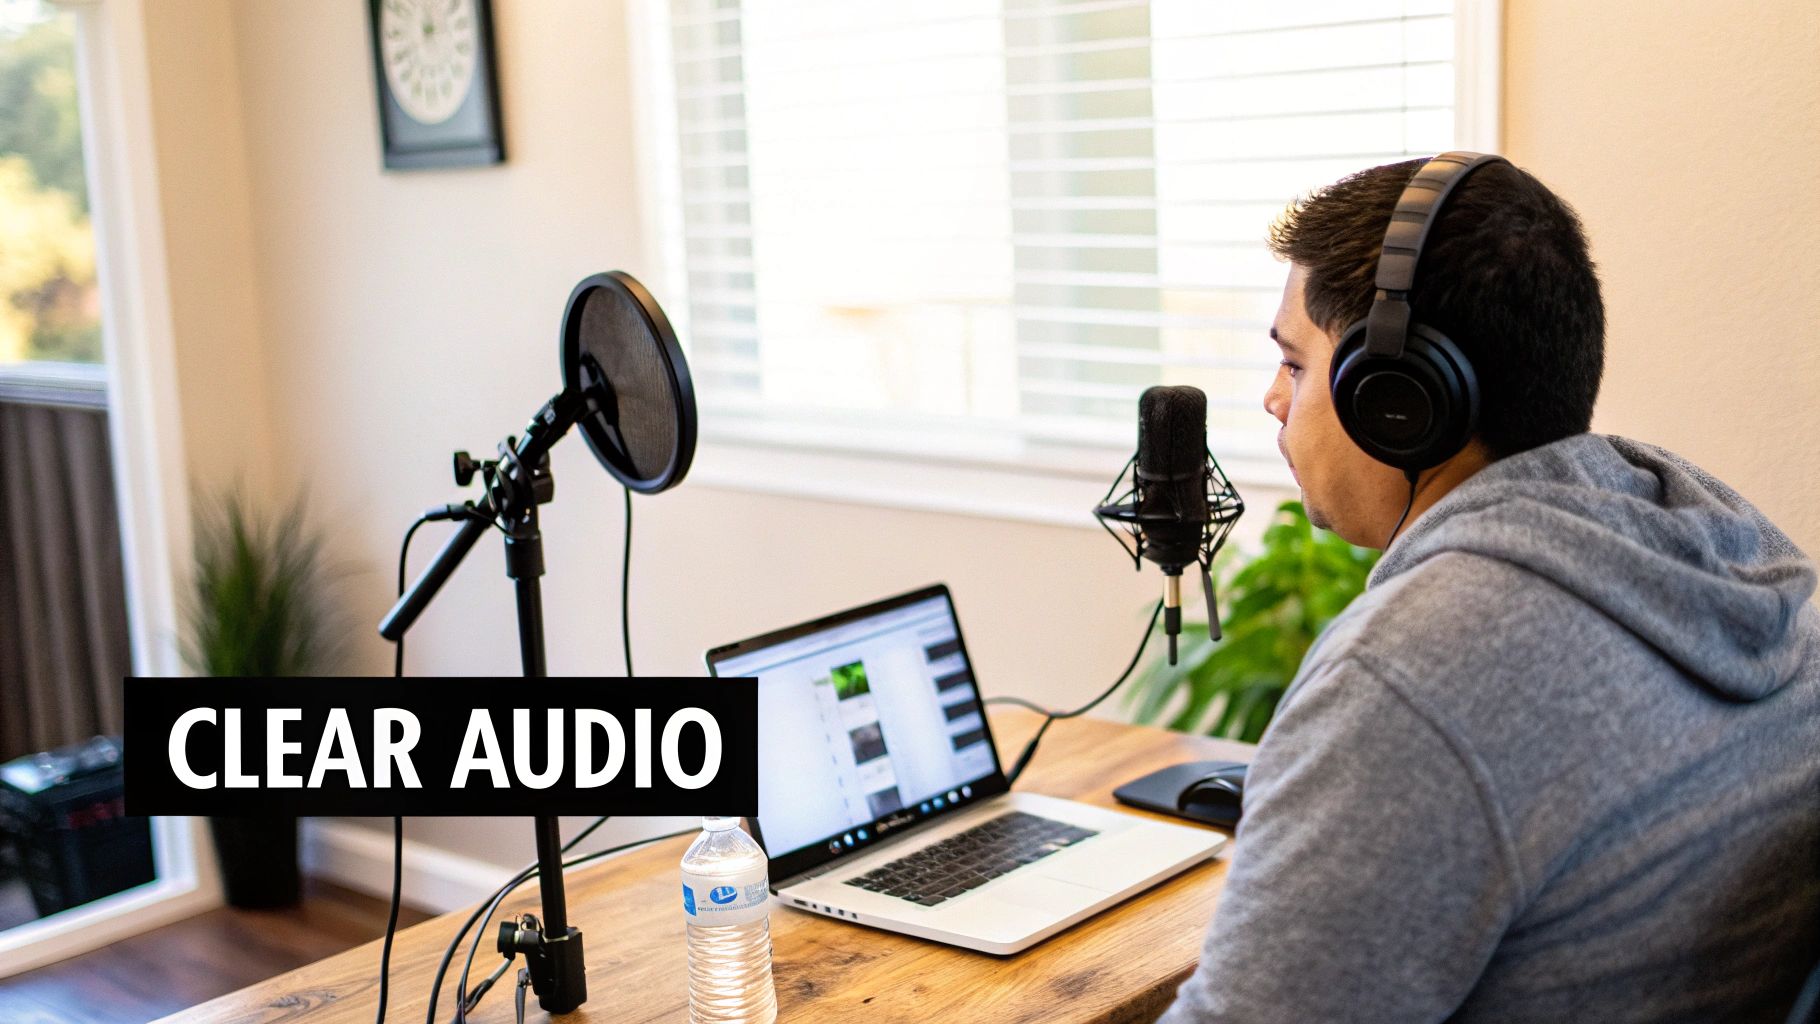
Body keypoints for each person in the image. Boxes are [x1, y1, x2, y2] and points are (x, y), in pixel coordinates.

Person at [1157, 156, 1820, 1023]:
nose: (1274, 400)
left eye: (1295, 364)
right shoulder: (1730, 564)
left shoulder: (1417, 668)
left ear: (1395, 397)